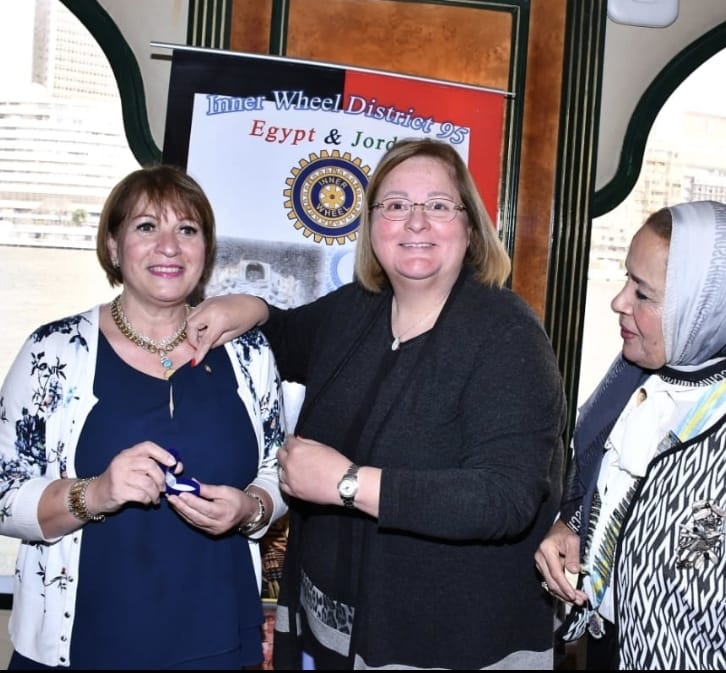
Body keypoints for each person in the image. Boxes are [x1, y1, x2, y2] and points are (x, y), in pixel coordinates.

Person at [186, 137, 567, 669]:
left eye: (438, 205)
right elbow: (289, 337)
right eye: (396, 205)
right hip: (333, 630)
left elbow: (505, 497)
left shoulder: (507, 334)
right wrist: (248, 306)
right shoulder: (358, 308)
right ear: (371, 225)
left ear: (470, 226)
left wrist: (348, 484)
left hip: (448, 645)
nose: (416, 221)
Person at [0, 164, 287, 669]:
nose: (169, 246)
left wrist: (252, 509)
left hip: (214, 636)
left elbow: (277, 471)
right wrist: (95, 493)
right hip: (84, 641)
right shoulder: (53, 351)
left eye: (187, 229)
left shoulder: (248, 353)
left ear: (206, 250)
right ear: (113, 247)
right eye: (147, 226)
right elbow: (3, 492)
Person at [534, 200, 726, 670]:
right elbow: (606, 489)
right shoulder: (631, 378)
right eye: (626, 280)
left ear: (702, 309)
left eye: (643, 293)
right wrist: (570, 526)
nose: (619, 301)